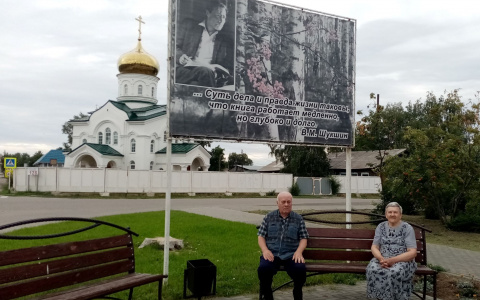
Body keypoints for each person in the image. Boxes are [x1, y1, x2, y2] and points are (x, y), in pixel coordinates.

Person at [257, 191, 309, 300]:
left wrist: (299, 252)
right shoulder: (268, 217)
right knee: (264, 269)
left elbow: (304, 238)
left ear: (291, 203)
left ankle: (297, 293)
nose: (286, 204)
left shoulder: (298, 219)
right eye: (283, 202)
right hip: (272, 254)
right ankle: (267, 295)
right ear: (277, 203)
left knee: (300, 270)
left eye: (289, 202)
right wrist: (265, 250)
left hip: (291, 255)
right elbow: (261, 236)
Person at [175, 0, 234, 88]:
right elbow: (174, 47)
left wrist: (219, 71)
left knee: (207, 73)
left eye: (224, 17)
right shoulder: (189, 26)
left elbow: (229, 66)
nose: (221, 20)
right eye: (218, 16)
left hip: (210, 72)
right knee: (205, 72)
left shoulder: (226, 40)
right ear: (208, 13)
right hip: (187, 69)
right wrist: (180, 57)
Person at [366, 202, 418, 300]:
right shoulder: (380, 227)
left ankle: (395, 297)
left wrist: (392, 260)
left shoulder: (407, 228)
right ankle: (379, 297)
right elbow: (374, 247)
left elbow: (412, 252)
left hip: (402, 261)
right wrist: (381, 259)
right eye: (390, 212)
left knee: (393, 272)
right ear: (386, 215)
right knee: (372, 269)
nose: (392, 214)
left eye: (395, 212)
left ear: (400, 215)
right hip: (382, 259)